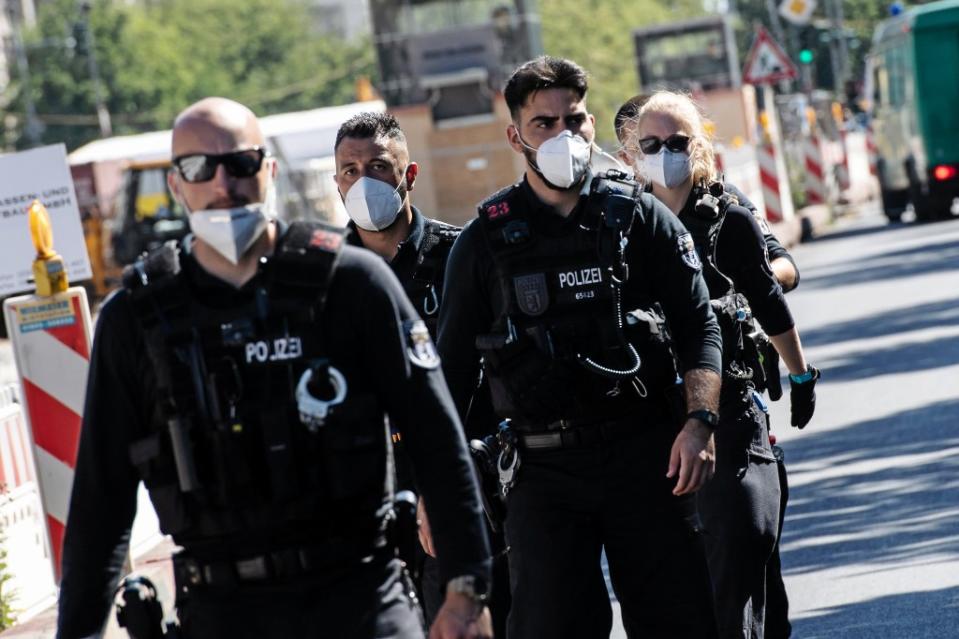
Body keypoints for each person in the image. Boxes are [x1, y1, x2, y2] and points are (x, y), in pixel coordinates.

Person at [56, 97, 492, 639]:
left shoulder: (352, 285)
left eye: (239, 163)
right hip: (223, 608)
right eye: (200, 168)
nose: (223, 183)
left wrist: (466, 588)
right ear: (176, 185)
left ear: (268, 170)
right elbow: (102, 498)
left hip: (358, 594)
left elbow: (437, 441)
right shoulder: (137, 320)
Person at [437, 56, 723, 638]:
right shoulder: (484, 242)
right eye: (545, 124)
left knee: (680, 621)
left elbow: (700, 327)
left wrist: (699, 422)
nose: (563, 135)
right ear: (516, 135)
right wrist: (438, 486)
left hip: (645, 457)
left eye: (575, 120)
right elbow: (448, 374)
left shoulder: (639, 218)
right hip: (542, 471)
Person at [624, 90, 820, 639]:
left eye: (679, 142)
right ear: (631, 153)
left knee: (742, 556)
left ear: (701, 145)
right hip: (653, 418)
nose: (666, 153)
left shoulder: (724, 214)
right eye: (652, 144)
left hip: (729, 409)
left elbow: (772, 287)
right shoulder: (617, 225)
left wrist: (801, 374)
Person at [333, 111, 511, 637]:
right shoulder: (324, 280)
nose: (363, 181)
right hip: (376, 499)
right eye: (349, 170)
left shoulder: (462, 255)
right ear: (335, 182)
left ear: (409, 176)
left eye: (379, 167)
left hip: (469, 490)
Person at [615, 94, 799, 292]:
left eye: (672, 141)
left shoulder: (721, 202)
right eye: (646, 144)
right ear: (625, 156)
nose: (660, 153)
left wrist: (746, 287)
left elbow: (786, 268)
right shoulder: (622, 218)